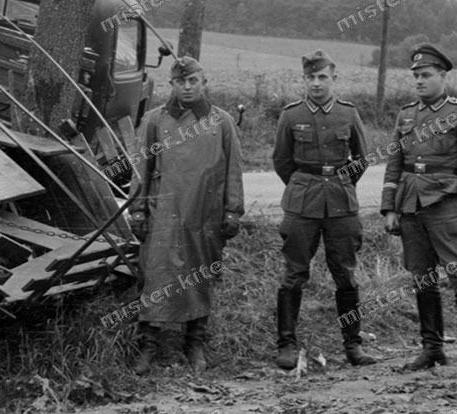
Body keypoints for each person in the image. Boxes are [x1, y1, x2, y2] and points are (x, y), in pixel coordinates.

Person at [381, 43, 457, 374]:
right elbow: (394, 164)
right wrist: (390, 208)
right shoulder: (406, 115)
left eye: (426, 75)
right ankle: (432, 349)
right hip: (410, 205)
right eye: (416, 76)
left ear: (443, 76)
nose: (420, 80)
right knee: (422, 277)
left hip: (445, 205)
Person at [127, 56, 244, 374]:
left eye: (193, 81)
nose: (188, 87)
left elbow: (233, 169)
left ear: (204, 83)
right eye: (181, 82)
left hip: (204, 217)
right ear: (172, 85)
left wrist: (233, 211)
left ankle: (195, 343)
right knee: (156, 277)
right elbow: (141, 169)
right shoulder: (154, 120)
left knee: (199, 277)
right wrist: (137, 212)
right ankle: (148, 345)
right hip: (163, 215)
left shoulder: (221, 122)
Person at [272, 49, 375, 369]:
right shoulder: (291, 115)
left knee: (346, 275)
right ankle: (286, 344)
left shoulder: (348, 114)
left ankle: (353, 344)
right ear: (304, 80)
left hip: (341, 204)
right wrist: (303, 184)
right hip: (302, 203)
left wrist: (341, 184)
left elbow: (362, 158)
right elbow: (282, 161)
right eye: (310, 77)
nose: (316, 83)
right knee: (294, 274)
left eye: (322, 77)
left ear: (334, 79)